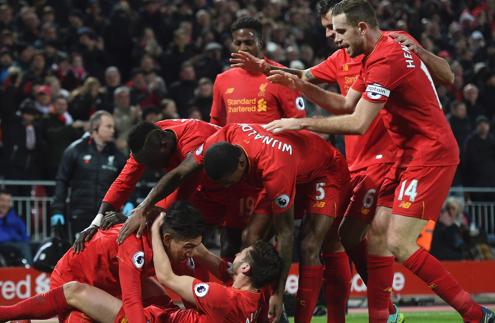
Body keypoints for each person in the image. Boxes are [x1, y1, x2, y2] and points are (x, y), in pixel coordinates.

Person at [261, 0, 494, 321]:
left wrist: (301, 123)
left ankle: (474, 314)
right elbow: (345, 103)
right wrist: (299, 84)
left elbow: (358, 122)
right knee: (356, 233)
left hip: (430, 153)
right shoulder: (373, 55)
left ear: (361, 28)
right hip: (405, 155)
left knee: (398, 242)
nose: (334, 38)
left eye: (339, 30)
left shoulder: (386, 58)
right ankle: (385, 315)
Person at [126, 123, 351, 323]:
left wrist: (278, 294)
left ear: (242, 163)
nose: (226, 187)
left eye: (228, 181)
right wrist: (143, 208)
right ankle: (255, 309)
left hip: (324, 171)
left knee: (309, 245)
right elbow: (179, 173)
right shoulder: (224, 135)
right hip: (290, 168)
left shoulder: (275, 169)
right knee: (250, 238)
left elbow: (285, 233)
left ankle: (291, 313)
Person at [0, 211, 282, 323]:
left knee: (74, 294)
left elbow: (168, 277)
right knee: (153, 290)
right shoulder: (257, 301)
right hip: (82, 268)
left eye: (243, 255)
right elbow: (220, 267)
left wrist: (155, 226)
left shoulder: (222, 297)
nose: (236, 255)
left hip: (150, 317)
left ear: (247, 271)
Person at [73, 119, 218, 253]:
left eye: (149, 163)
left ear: (164, 145)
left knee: (211, 246)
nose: (148, 168)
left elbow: (181, 185)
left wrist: (142, 212)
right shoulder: (150, 140)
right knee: (183, 247)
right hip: (202, 187)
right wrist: (96, 222)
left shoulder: (195, 138)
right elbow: (124, 181)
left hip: (229, 188)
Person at [210, 16, 306, 127]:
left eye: (248, 43)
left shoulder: (281, 76)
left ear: (260, 42)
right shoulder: (222, 80)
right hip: (233, 144)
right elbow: (216, 124)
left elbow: (298, 121)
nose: (243, 48)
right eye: (238, 43)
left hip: (270, 144)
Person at [50, 110, 126, 239]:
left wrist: (130, 200)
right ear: (95, 128)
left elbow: (127, 181)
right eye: (108, 126)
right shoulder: (75, 150)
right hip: (79, 214)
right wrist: (57, 209)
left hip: (107, 217)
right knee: (78, 253)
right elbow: (62, 180)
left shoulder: (117, 155)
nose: (113, 130)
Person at [462, 115, 495, 202]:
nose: (483, 126)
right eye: (481, 124)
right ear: (477, 126)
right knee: (477, 209)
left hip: (491, 183)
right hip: (476, 183)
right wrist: (466, 187)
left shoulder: (492, 141)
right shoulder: (470, 141)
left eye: (485, 124)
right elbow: (466, 164)